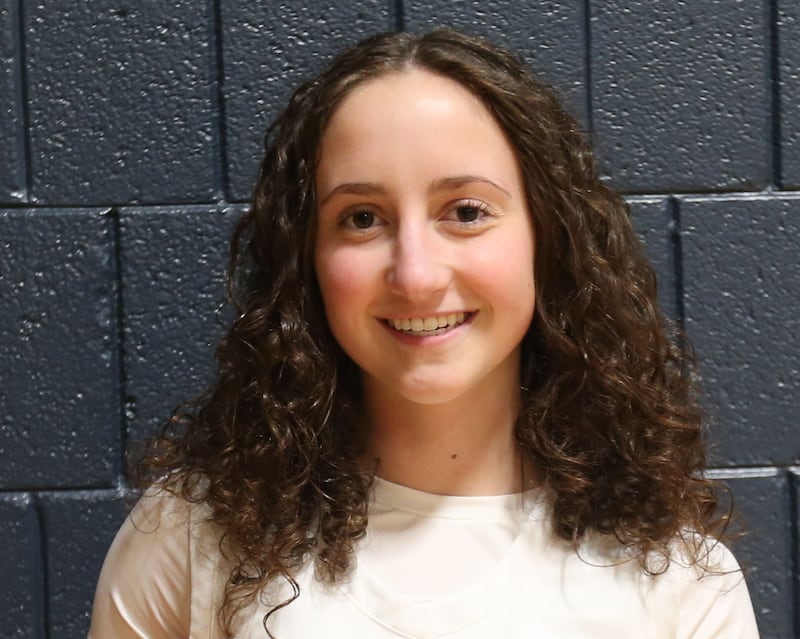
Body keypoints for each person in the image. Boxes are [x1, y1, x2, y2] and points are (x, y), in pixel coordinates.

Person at [89, 28, 760, 639]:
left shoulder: (681, 581)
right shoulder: (191, 536)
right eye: (360, 218)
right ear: (306, 260)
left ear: (547, 239)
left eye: (466, 211)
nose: (414, 273)